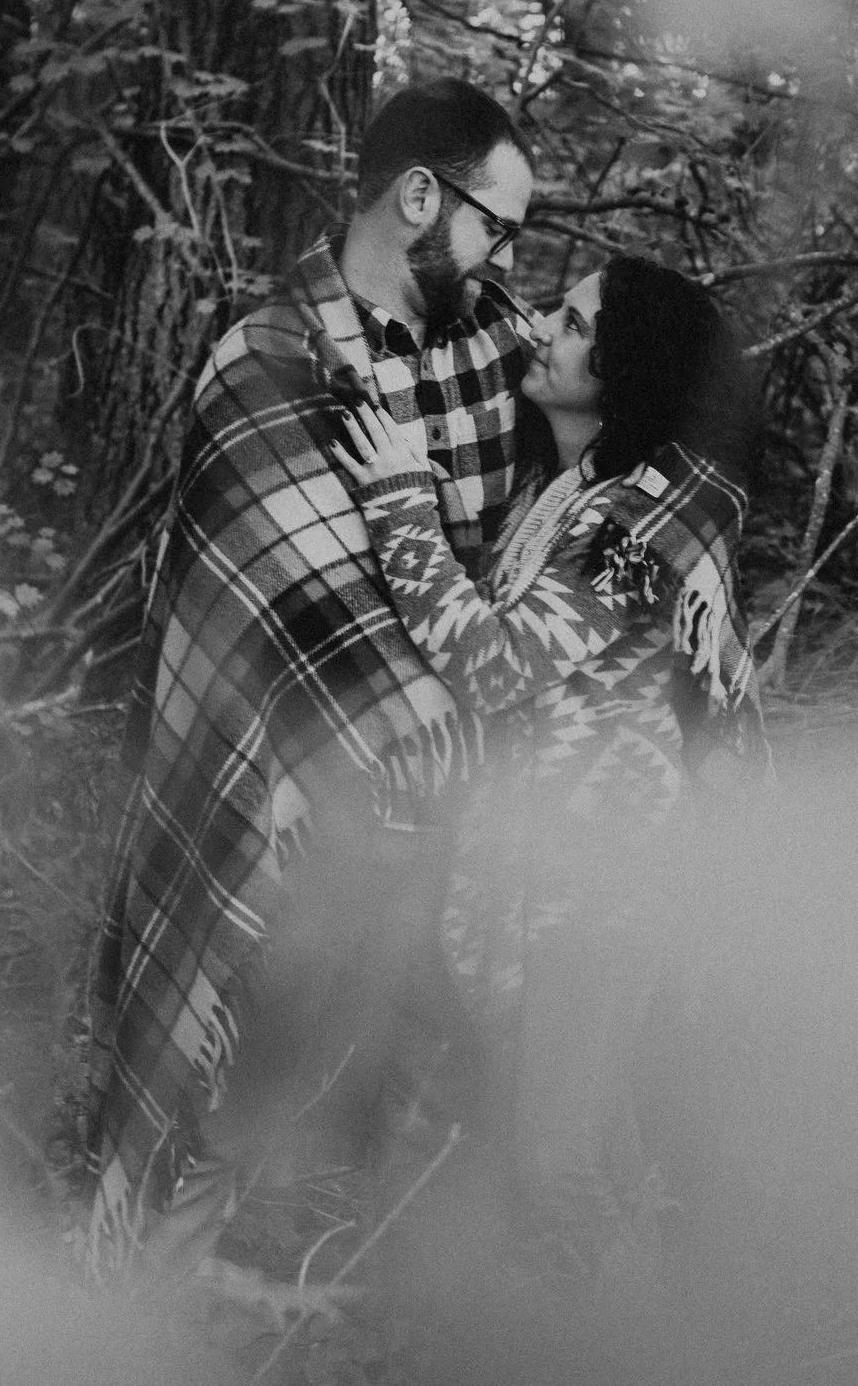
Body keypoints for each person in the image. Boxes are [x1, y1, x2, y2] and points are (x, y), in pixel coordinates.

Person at [82, 79, 537, 1265]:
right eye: (497, 224)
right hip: (289, 789)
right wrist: (431, 709)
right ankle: (143, 1289)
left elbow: (584, 491)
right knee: (236, 1063)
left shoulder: (500, 345)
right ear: (420, 196)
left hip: (456, 805)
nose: (506, 257)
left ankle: (394, 1297)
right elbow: (277, 590)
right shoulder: (268, 356)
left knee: (430, 1085)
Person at [331, 255, 760, 1282]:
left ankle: (626, 1340)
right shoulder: (561, 492)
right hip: (518, 868)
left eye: (572, 323)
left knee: (558, 1166)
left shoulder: (642, 527)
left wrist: (399, 500)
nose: (540, 330)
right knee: (538, 1139)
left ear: (624, 367)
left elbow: (495, 664)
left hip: (599, 886)